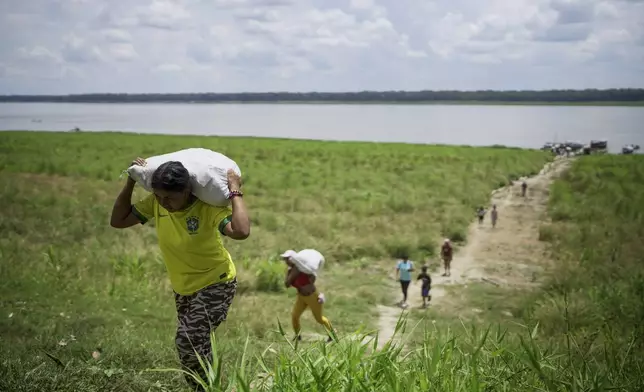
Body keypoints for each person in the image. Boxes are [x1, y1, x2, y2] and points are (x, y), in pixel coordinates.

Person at [109, 158, 250, 391]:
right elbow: (118, 221)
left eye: (170, 198)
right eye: (159, 196)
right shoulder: (156, 203)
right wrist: (130, 183)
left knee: (187, 341)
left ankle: (202, 389)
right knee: (198, 345)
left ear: (186, 191)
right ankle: (210, 387)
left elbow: (241, 231)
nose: (164, 203)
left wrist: (235, 191)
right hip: (184, 287)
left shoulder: (207, 208)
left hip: (216, 282)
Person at [281, 249, 334, 343]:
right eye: (285, 259)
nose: (286, 262)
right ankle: (298, 336)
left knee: (319, 319)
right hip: (301, 297)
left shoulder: (301, 269)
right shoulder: (293, 270)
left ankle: (332, 335)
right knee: (295, 316)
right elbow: (287, 284)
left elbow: (310, 279)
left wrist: (294, 272)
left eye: (287, 259)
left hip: (312, 297)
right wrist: (292, 273)